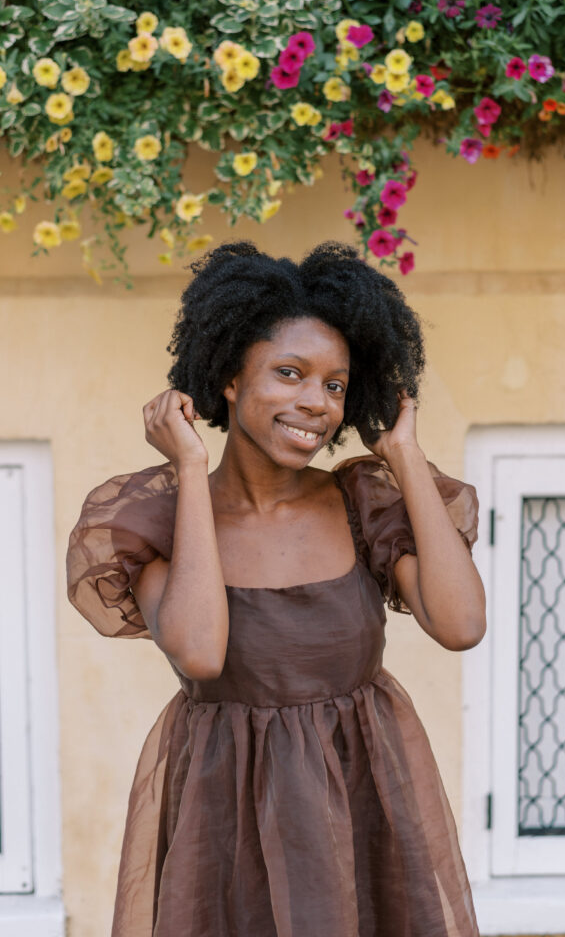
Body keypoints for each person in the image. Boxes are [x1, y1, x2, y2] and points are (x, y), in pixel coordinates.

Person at [66, 239, 486, 937]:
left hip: (364, 803)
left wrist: (404, 454)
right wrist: (191, 468)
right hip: (225, 820)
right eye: (289, 373)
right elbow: (200, 653)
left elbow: (461, 623)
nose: (315, 403)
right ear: (228, 378)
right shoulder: (157, 521)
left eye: (334, 384)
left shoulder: (360, 503)